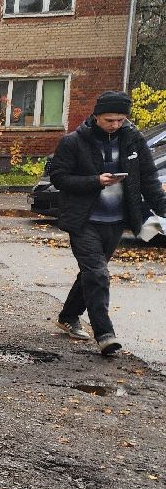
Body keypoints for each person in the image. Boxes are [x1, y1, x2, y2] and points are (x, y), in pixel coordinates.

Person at [49, 90, 166, 356]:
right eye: (109, 120)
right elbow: (59, 177)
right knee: (98, 274)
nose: (115, 125)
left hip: (116, 222)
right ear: (96, 116)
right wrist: (95, 181)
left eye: (120, 120)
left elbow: (148, 178)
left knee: (91, 274)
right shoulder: (74, 142)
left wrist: (163, 209)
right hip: (84, 220)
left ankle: (68, 316)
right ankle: (104, 334)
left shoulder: (133, 141)